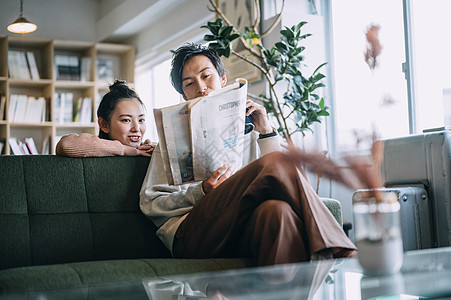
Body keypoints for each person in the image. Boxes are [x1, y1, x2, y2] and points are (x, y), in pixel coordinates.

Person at [139, 43, 356, 266]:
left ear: (222, 80)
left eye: (207, 76)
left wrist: (267, 132)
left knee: (277, 212)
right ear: (184, 95)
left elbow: (284, 181)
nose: (201, 88)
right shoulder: (170, 140)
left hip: (241, 229)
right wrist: (200, 191)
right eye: (190, 84)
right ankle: (336, 246)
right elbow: (150, 203)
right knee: (274, 163)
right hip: (190, 236)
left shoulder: (251, 131)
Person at [56, 80, 155, 157]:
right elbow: (65, 145)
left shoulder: (146, 149)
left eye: (141, 120)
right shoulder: (91, 147)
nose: (136, 128)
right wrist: (125, 150)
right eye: (126, 120)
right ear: (104, 125)